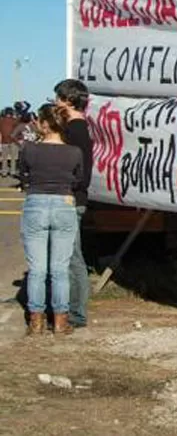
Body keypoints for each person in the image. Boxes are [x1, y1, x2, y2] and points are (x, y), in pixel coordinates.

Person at [18, 103, 83, 335]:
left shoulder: (28, 149)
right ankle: (60, 320)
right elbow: (78, 178)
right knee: (60, 268)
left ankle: (36, 321)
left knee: (37, 268)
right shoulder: (74, 152)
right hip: (64, 203)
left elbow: (22, 174)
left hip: (36, 201)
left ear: (44, 124)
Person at [54, 80, 92, 329]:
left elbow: (82, 171)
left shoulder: (76, 129)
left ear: (68, 100)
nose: (56, 103)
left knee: (72, 258)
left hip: (71, 198)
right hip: (72, 197)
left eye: (58, 98)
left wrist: (70, 188)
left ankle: (77, 313)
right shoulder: (76, 127)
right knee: (68, 256)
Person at [0, 107, 18, 177]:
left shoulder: (1, 121)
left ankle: (4, 172)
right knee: (13, 158)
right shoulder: (14, 120)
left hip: (4, 141)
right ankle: (12, 172)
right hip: (13, 141)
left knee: (4, 158)